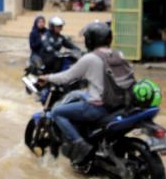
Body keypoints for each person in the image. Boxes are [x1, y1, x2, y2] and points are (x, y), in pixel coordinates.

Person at [37, 22, 114, 164]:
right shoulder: (117, 54)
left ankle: (80, 145)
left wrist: (47, 78)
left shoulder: (90, 58)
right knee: (79, 94)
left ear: (90, 40)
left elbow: (66, 77)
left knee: (57, 112)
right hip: (117, 105)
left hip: (98, 108)